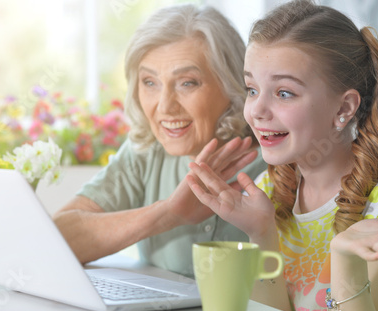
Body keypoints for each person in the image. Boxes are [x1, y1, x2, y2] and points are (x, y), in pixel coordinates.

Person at [187, 0, 378, 311]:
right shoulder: (271, 190)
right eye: (252, 89)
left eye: (284, 93)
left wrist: (345, 262)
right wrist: (261, 232)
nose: (256, 110)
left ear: (344, 108)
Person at [52, 4, 267, 277]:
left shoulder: (273, 160)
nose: (165, 106)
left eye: (187, 82)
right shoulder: (146, 152)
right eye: (150, 82)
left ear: (230, 83)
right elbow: (58, 239)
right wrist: (168, 214)